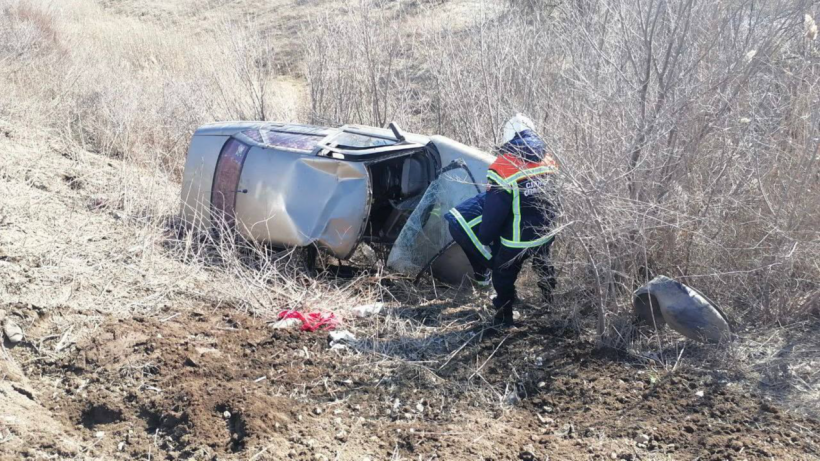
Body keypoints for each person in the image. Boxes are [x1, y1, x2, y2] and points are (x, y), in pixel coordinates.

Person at [444, 114, 558, 327]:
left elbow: (495, 210)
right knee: (544, 265)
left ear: (509, 137)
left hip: (517, 238)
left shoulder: (503, 167)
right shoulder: (548, 158)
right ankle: (551, 302)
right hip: (545, 233)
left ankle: (504, 315)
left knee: (503, 274)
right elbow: (554, 198)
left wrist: (486, 238)